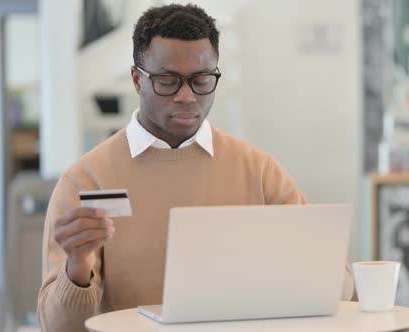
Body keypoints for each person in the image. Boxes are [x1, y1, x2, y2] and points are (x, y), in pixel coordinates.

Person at [37, 4, 354, 332]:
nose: (187, 96)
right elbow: (57, 328)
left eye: (201, 80)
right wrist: (77, 269)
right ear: (136, 79)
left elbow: (341, 290)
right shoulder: (85, 181)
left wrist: (309, 265)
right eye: (168, 81)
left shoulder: (259, 172)